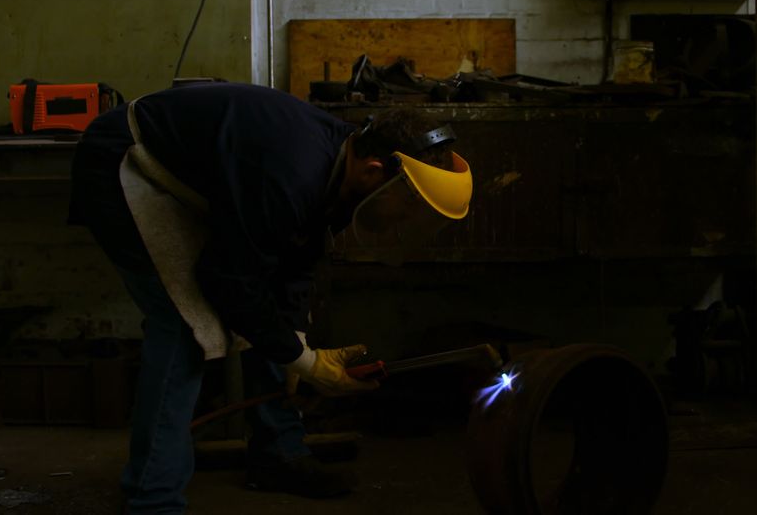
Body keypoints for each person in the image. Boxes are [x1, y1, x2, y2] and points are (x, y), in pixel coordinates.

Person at [67, 81, 472, 514]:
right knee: (185, 328)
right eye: (406, 204)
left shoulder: (342, 165)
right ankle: (153, 500)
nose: (405, 216)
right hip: (126, 160)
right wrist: (306, 363)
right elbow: (227, 281)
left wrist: (294, 344)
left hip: (188, 173)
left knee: (272, 322)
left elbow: (294, 264)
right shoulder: (292, 171)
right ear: (375, 169)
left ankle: (279, 454)